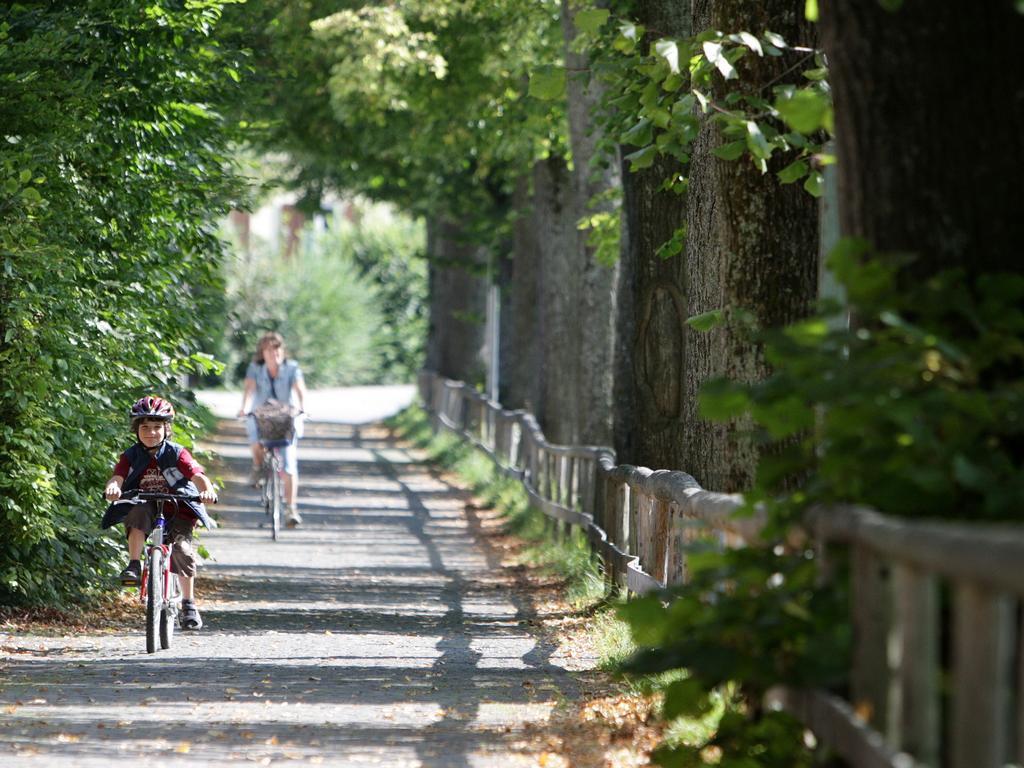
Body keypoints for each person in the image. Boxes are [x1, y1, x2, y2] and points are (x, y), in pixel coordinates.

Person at [101, 396, 218, 630]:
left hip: (179, 507)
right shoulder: (131, 455)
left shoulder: (177, 453)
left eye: (157, 427)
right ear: (136, 430)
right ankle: (134, 564)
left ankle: (188, 603)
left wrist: (207, 490)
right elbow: (118, 476)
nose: (151, 432)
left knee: (182, 552)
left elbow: (197, 475)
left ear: (166, 429)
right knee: (137, 515)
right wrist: (113, 487)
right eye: (145, 427)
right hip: (147, 503)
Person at [237, 331, 307, 527]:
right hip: (262, 415)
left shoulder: (292, 368)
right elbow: (249, 389)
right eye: (268, 349)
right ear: (262, 352)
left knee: (289, 463)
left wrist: (302, 407)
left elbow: (300, 389)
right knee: (253, 431)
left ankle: (291, 508)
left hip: (286, 417)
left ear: (282, 350)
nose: (273, 353)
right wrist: (244, 407)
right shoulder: (255, 368)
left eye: (276, 348)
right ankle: (258, 467)